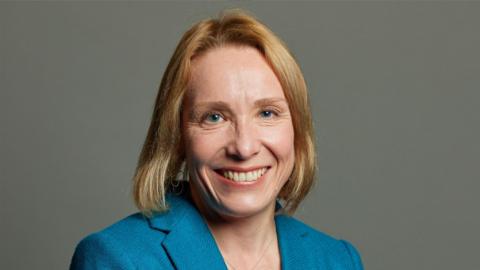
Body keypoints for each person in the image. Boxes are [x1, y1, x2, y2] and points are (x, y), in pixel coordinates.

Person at [70, 8, 364, 270]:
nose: (244, 147)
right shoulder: (117, 258)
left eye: (267, 113)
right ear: (178, 136)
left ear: (297, 130)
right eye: (214, 117)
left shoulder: (337, 260)